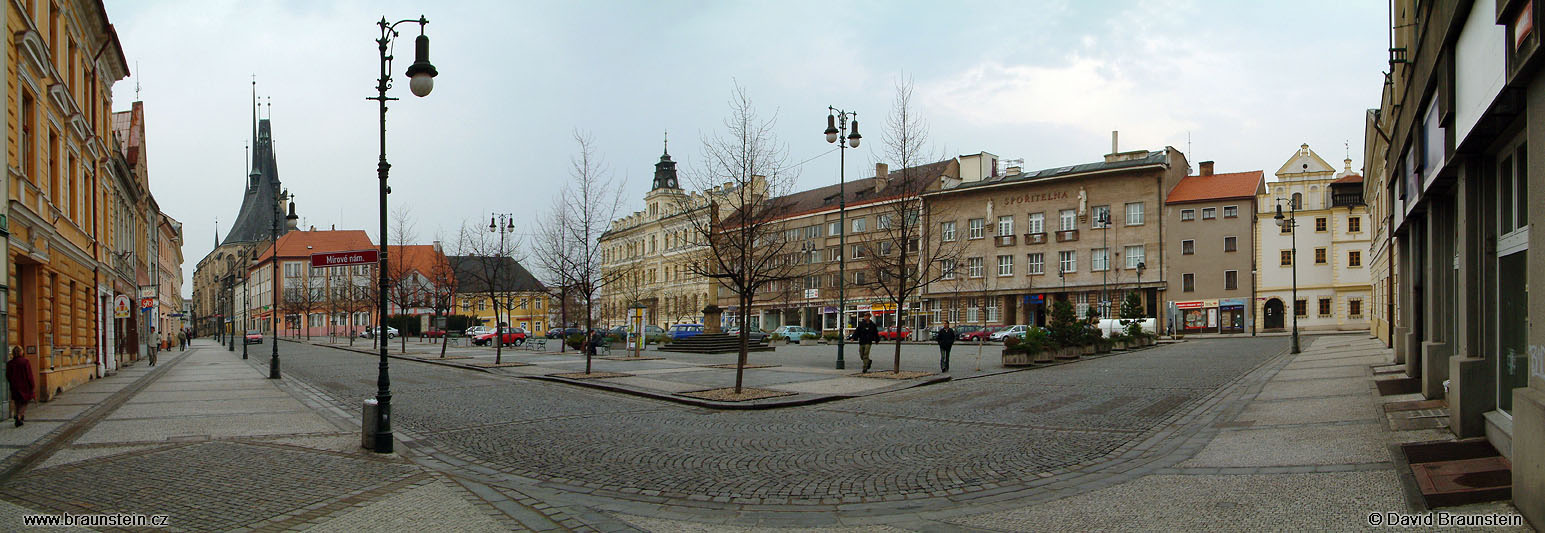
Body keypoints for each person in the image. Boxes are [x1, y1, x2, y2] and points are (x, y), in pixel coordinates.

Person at [7, 347, 34, 427]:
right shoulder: (25, 362)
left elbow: (8, 375)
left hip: (14, 386)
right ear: (21, 352)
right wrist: (32, 385)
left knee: (17, 401)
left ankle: (18, 415)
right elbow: (29, 375)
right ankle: (19, 415)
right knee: (25, 402)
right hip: (24, 385)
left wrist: (12, 382)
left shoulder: (10, 363)